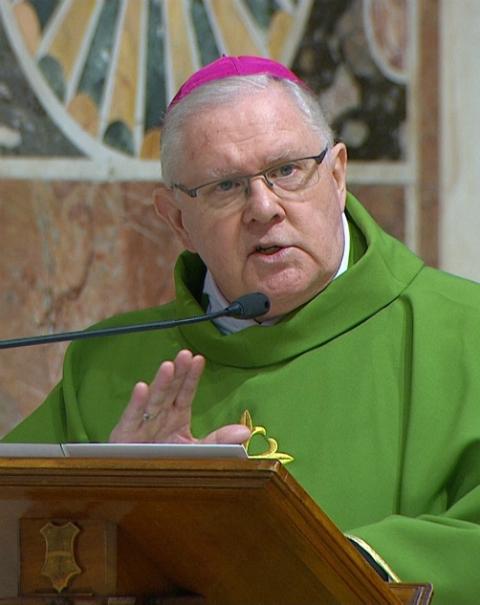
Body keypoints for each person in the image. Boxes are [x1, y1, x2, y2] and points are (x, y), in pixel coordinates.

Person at [3, 55, 480, 603]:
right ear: (176, 220)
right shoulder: (107, 364)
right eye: (226, 186)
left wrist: (323, 565)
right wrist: (110, 499)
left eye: (286, 170)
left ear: (338, 174)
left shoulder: (465, 334)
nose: (263, 208)